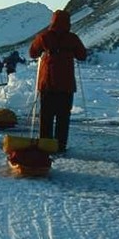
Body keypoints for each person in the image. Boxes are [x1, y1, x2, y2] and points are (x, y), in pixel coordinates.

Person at [29, 9, 86, 153]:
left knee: (46, 117)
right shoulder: (73, 38)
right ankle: (60, 146)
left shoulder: (44, 36)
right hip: (66, 86)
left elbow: (32, 53)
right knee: (63, 117)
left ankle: (45, 145)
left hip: (47, 84)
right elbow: (82, 55)